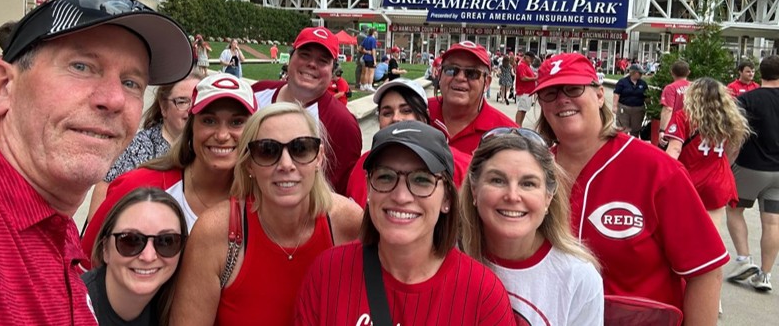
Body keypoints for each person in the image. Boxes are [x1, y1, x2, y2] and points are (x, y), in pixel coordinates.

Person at [0, 0, 193, 324]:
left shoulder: (62, 236)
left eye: (131, 83)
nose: (113, 100)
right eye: (81, 66)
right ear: (2, 87)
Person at [534, 53, 727, 321]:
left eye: (573, 88)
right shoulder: (534, 172)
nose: (562, 99)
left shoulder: (656, 170)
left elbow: (705, 270)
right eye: (550, 93)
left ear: (600, 95)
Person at [295, 121, 516, 325]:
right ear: (369, 188)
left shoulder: (481, 294)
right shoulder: (328, 274)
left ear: (447, 198)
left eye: (421, 180)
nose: (401, 196)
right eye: (385, 177)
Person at [170, 103, 363, 325]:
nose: (286, 164)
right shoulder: (216, 233)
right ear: (250, 164)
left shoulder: (347, 223)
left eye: (301, 148)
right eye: (267, 151)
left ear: (318, 157)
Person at [81, 73, 258, 267]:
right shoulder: (138, 185)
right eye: (209, 120)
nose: (223, 135)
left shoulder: (261, 201)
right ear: (191, 128)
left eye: (237, 122)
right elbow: (86, 261)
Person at [460, 129, 603, 325]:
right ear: (474, 190)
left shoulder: (579, 277)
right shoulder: (443, 257)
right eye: (497, 180)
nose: (512, 195)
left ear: (548, 196)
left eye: (528, 184)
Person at [252, 26, 361, 194]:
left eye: (323, 60)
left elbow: (338, 193)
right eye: (304, 55)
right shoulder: (256, 93)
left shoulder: (342, 124)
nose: (311, 64)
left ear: (333, 72)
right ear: (290, 59)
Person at [86, 71, 206, 223]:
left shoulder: (207, 151)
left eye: (196, 102)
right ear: (163, 107)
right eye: (182, 101)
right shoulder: (137, 148)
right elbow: (104, 193)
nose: (190, 110)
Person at [346, 78, 472, 207]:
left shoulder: (461, 166)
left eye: (406, 110)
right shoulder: (364, 164)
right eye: (387, 113)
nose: (396, 118)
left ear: (425, 117)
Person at [84, 188, 188, 325]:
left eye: (166, 241)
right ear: (105, 249)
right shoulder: (68, 309)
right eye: (130, 241)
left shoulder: (181, 307)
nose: (148, 256)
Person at [665, 77, 750, 230]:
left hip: (688, 178)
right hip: (718, 178)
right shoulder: (729, 119)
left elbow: (674, 149)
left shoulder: (684, 116)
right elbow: (733, 150)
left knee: (683, 227)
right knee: (712, 231)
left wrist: (664, 176)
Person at [725, 54, 779, 292]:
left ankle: (744, 259)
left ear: (759, 74)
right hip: (778, 171)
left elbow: (737, 135)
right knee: (773, 222)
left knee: (734, 209)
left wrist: (726, 162)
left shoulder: (747, 99)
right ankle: (766, 275)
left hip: (750, 166)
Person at [429, 41, 516, 155]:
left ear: (487, 83)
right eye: (451, 70)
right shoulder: (415, 112)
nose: (460, 78)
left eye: (472, 73)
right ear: (440, 75)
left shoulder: (507, 136)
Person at [658, 59, 691, 146]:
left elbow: (668, 109)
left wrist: (662, 130)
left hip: (675, 127)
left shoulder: (670, 88)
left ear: (672, 73)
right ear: (688, 73)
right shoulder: (695, 87)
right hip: (692, 127)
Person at [612, 64, 648, 137]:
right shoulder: (622, 82)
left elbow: (647, 96)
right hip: (624, 108)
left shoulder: (643, 84)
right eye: (639, 73)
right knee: (623, 129)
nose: (641, 74)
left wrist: (649, 108)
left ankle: (633, 145)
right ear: (633, 73)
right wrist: (615, 106)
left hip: (638, 109)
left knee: (635, 130)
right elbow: (617, 94)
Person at [515, 51, 537, 127]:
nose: (532, 61)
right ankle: (517, 125)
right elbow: (523, 78)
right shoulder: (522, 66)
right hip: (523, 91)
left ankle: (519, 125)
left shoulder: (527, 66)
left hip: (528, 92)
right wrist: (534, 78)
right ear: (526, 57)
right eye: (531, 58)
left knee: (524, 110)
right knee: (521, 109)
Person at [359, 27, 378, 91]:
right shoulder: (373, 39)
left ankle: (365, 85)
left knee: (365, 72)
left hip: (365, 57)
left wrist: (366, 51)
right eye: (376, 31)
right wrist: (375, 60)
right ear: (373, 32)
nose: (376, 33)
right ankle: (370, 85)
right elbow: (373, 50)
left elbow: (360, 48)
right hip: (370, 58)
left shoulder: (366, 39)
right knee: (371, 72)